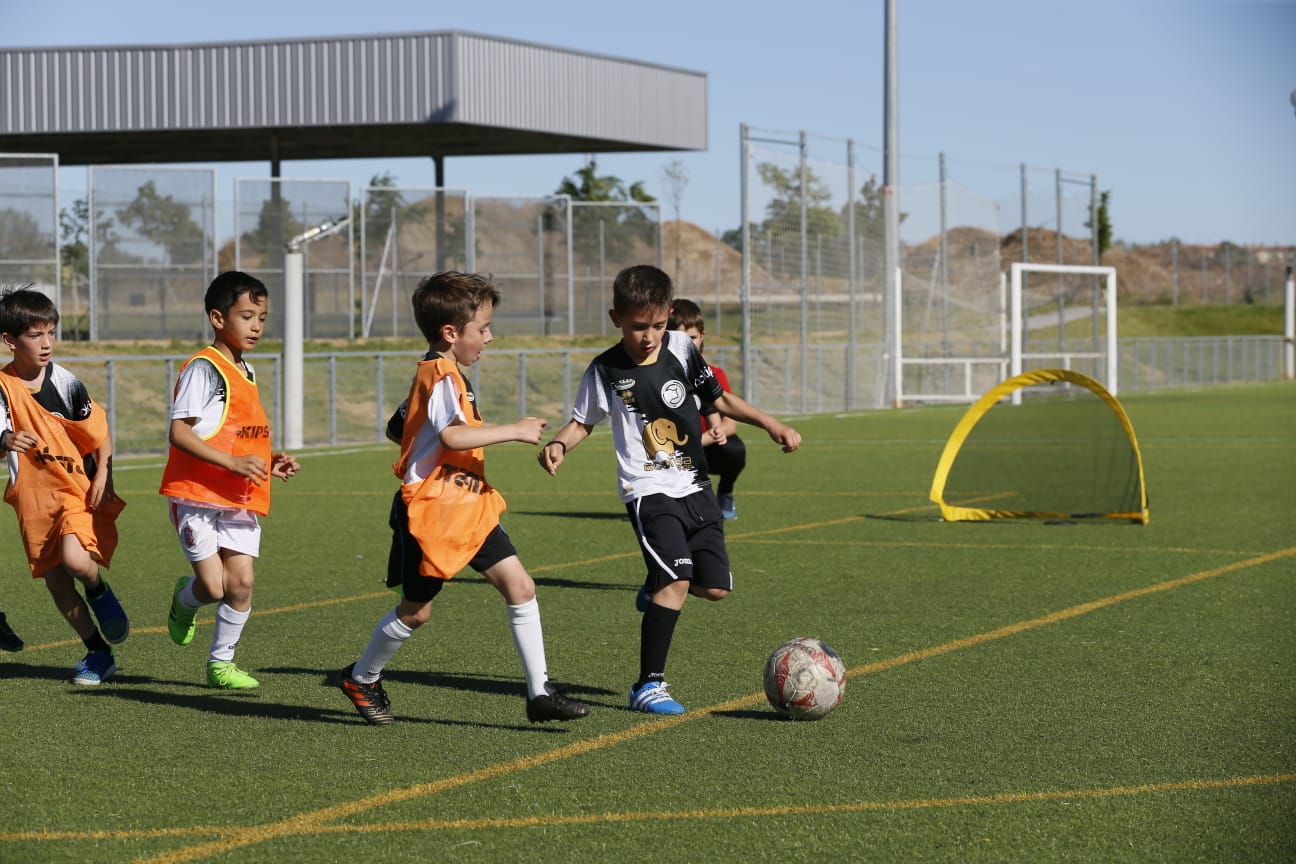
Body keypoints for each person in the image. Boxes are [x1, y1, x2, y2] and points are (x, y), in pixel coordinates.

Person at [538, 265, 802, 715]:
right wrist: (561, 443)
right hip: (646, 489)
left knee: (715, 588)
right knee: (677, 580)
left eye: (658, 325)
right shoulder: (605, 370)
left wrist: (771, 424)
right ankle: (648, 685)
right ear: (615, 317)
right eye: (639, 326)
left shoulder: (681, 349)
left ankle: (657, 581)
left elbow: (719, 400)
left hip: (695, 484)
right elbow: (584, 420)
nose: (649, 336)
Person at [338, 271, 590, 726]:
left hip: (468, 504)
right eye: (483, 329)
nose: (490, 337)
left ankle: (539, 693)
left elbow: (399, 427)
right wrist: (512, 430)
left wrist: (413, 424)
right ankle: (362, 677)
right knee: (416, 612)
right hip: (430, 513)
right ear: (450, 333)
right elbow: (452, 435)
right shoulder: (439, 374)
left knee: (521, 586)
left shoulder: (443, 372)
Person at [160, 271, 300, 690]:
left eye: (262, 316)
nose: (257, 325)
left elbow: (235, 433)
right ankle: (185, 600)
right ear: (218, 318)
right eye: (247, 315)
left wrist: (265, 462)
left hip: (238, 495)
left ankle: (221, 664)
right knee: (214, 586)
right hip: (198, 495)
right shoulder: (205, 369)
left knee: (241, 583)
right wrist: (231, 463)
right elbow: (179, 432)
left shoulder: (246, 369)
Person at [0, 287, 129, 684]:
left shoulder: (67, 382)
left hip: (74, 490)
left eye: (51, 333)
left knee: (76, 563)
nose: (46, 344)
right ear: (9, 341)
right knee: (57, 582)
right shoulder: (2, 387)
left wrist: (104, 472)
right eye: (35, 335)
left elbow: (100, 432)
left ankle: (98, 589)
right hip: (33, 501)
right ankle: (97, 652)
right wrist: (4, 441)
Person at [668, 298, 745, 520]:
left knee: (735, 450)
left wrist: (707, 436)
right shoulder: (659, 377)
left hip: (705, 445)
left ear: (702, 337)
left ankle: (725, 493)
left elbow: (729, 422)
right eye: (677, 338)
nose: (686, 345)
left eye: (691, 338)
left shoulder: (714, 375)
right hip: (673, 448)